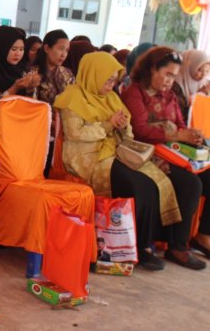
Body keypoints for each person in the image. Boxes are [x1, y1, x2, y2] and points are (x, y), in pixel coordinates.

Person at [55, 51, 199, 271]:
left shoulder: (112, 98)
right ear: (94, 74)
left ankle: (141, 246)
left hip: (114, 151)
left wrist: (122, 127)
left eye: (114, 80)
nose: (111, 84)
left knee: (151, 184)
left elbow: (129, 132)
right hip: (87, 157)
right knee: (137, 185)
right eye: (108, 79)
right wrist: (109, 125)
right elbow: (76, 133)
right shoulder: (73, 97)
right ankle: (132, 247)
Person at [120, 47, 207, 268]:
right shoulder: (134, 93)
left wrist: (190, 135)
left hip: (172, 151)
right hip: (145, 153)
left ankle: (203, 235)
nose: (170, 81)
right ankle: (177, 247)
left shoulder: (169, 96)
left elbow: (179, 123)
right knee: (190, 184)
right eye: (167, 74)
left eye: (174, 76)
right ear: (152, 69)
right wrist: (176, 134)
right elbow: (139, 130)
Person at [0, 25, 40, 99]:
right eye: (14, 49)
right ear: (1, 48)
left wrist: (31, 87)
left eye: (21, 49)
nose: (18, 54)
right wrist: (14, 88)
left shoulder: (20, 69)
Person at [33, 30, 74, 105]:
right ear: (47, 48)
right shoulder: (32, 72)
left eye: (67, 50)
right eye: (61, 49)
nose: (64, 55)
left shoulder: (68, 73)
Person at [172, 49, 210, 121]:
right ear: (189, 67)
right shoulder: (175, 85)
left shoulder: (205, 84)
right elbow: (180, 115)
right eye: (199, 70)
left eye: (207, 71)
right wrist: (198, 96)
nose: (203, 75)